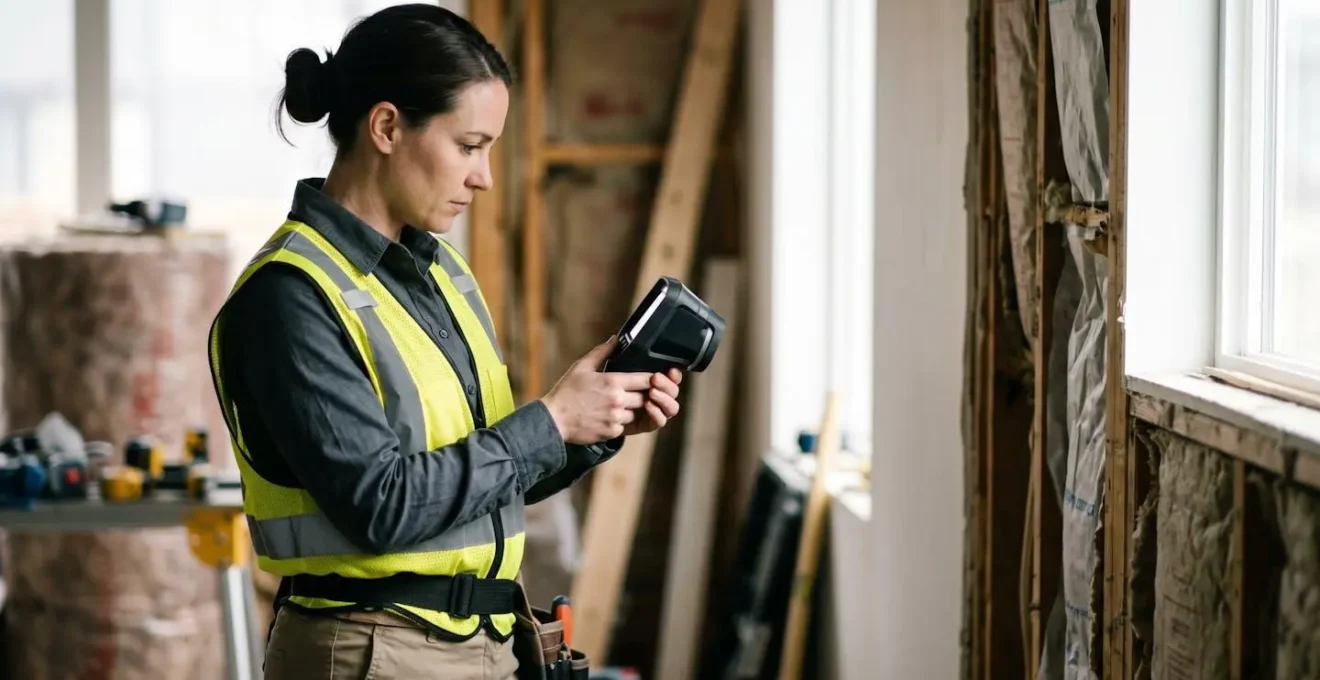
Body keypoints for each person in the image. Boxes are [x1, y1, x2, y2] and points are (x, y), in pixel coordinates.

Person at [205, 5, 683, 679]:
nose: (484, 175)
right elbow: (384, 505)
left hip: (477, 643)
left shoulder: (440, 275)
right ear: (388, 127)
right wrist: (550, 420)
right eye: (470, 145)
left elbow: (474, 482)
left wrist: (591, 427)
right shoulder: (291, 297)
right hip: (372, 650)